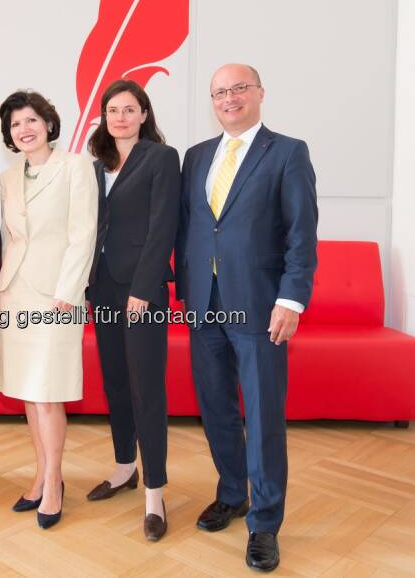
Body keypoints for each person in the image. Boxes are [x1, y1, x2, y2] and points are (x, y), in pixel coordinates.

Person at [175, 64, 318, 572]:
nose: (229, 98)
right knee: (215, 406)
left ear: (260, 93)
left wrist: (291, 299)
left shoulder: (288, 152)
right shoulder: (196, 156)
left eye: (239, 88)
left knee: (261, 415)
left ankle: (265, 522)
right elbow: (189, 228)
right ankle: (233, 493)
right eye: (220, 92)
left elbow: (301, 232)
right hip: (203, 304)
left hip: (260, 305)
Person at [0, 90, 97, 530]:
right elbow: (12, 239)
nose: (25, 129)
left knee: (48, 392)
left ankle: (54, 483)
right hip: (16, 294)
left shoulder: (75, 166)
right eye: (16, 124)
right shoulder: (7, 177)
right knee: (28, 392)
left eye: (32, 120)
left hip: (58, 296)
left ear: (49, 124)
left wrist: (69, 291)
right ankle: (41, 475)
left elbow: (83, 233)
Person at [85, 80, 179, 542]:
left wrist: (143, 289)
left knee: (147, 389)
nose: (120, 118)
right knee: (116, 383)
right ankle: (125, 467)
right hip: (102, 287)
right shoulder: (95, 164)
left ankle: (155, 493)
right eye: (112, 110)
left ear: (144, 114)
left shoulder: (161, 158)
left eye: (128, 109)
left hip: (142, 292)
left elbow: (164, 225)